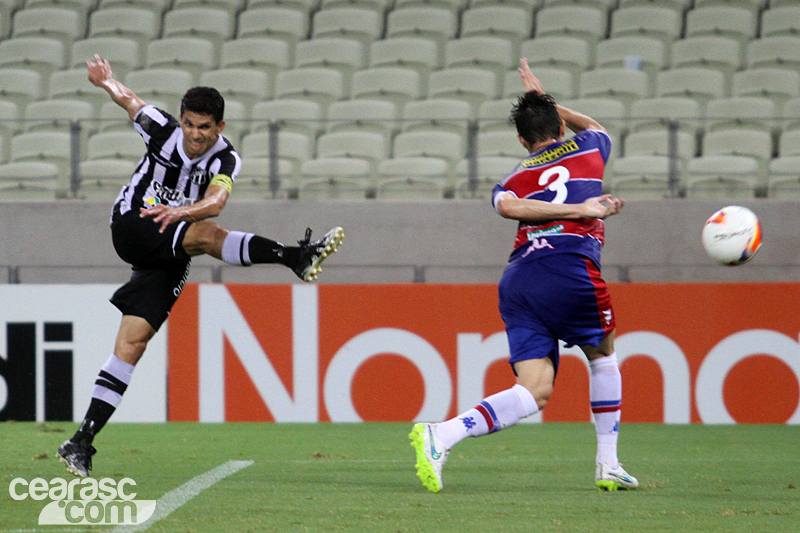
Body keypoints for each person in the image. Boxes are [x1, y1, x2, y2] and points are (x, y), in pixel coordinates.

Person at [57, 55, 344, 477]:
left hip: (174, 242)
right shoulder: (161, 129)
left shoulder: (225, 159)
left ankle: (80, 441)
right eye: (189, 124)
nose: (194, 134)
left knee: (132, 345)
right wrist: (106, 81)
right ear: (181, 119)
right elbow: (130, 101)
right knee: (209, 235)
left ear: (220, 128)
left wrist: (186, 211)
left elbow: (217, 201)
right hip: (135, 224)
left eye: (204, 127)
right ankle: (295, 257)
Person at [409, 58, 637, 493]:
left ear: (520, 139)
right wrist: (582, 208)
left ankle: (443, 434)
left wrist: (543, 105)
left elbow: (509, 206)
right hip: (570, 268)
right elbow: (596, 125)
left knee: (534, 391)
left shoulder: (512, 177)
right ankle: (607, 463)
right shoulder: (591, 147)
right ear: (560, 126)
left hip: (519, 280)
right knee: (603, 355)